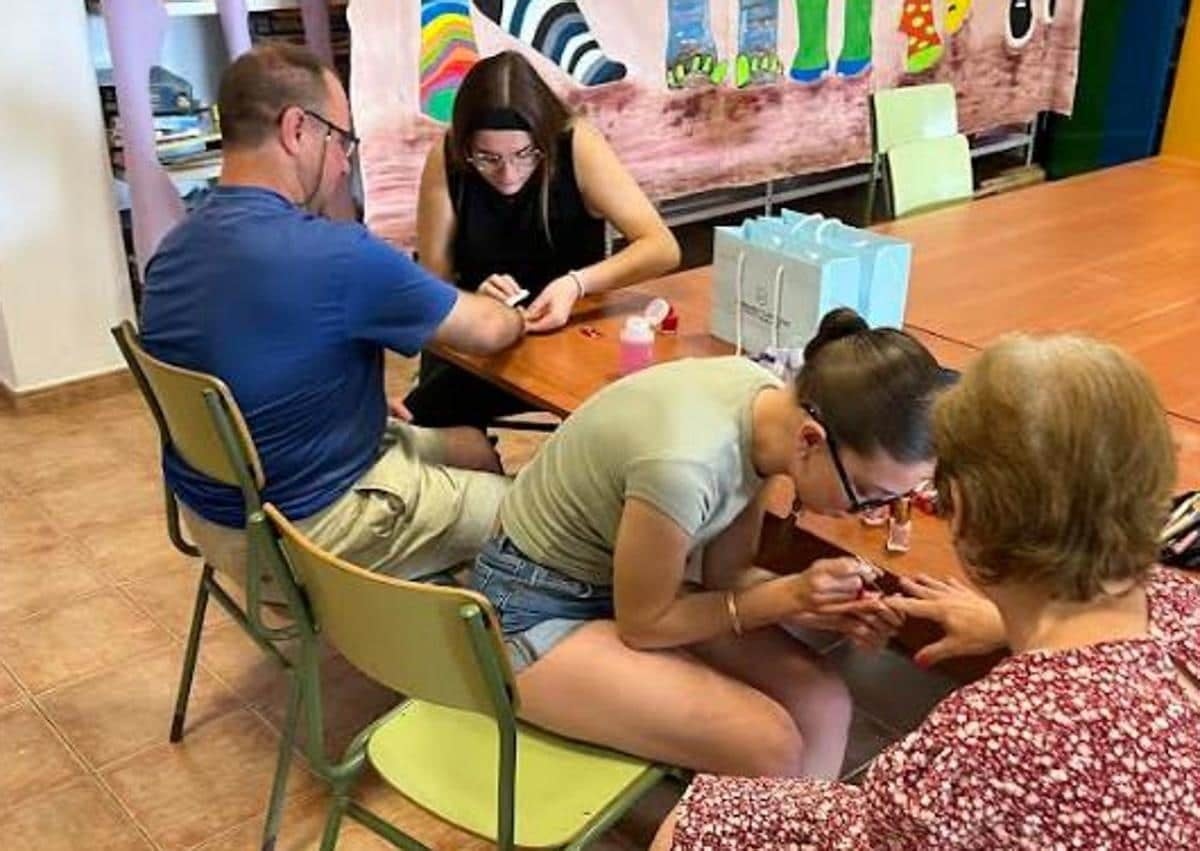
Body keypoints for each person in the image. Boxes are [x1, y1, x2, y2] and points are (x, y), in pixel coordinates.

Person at [653, 334, 1200, 850]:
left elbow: (881, 829)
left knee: (696, 822)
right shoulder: (1180, 606)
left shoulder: (992, 740)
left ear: (962, 511)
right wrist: (1004, 625)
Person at [470, 308, 948, 777]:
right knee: (769, 745)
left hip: (625, 585)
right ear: (810, 440)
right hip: (531, 607)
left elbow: (728, 576)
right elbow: (645, 624)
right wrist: (792, 595)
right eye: (868, 495)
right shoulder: (685, 466)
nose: (867, 513)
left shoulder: (768, 409)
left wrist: (825, 605)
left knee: (823, 704)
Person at [140, 44, 525, 587]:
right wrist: (512, 306)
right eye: (341, 140)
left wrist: (349, 401)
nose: (345, 164)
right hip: (308, 529)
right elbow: (488, 331)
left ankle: (470, 590)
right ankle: (481, 629)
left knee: (471, 445)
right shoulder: (341, 255)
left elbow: (244, 359)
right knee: (552, 514)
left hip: (216, 519)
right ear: (298, 128)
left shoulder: (173, 249)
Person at [405, 50, 681, 433]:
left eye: (524, 154)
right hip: (482, 337)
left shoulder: (576, 144)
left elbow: (661, 247)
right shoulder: (449, 156)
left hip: (569, 331)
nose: (508, 175)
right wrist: (473, 301)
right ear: (466, 147)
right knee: (420, 422)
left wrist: (575, 284)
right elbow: (431, 283)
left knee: (622, 423)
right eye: (487, 158)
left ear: (544, 138)